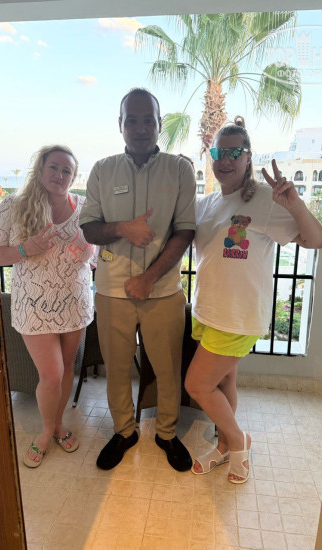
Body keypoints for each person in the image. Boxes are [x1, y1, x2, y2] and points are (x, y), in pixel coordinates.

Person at [185, 116, 322, 483]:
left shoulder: (264, 200)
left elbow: (316, 240)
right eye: (219, 152)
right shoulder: (206, 203)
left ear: (248, 157)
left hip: (239, 317)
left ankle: (238, 440)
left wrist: (294, 204)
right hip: (207, 310)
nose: (225, 160)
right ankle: (224, 445)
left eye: (234, 153)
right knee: (223, 383)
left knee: (197, 385)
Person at [80, 88, 196, 472]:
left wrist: (148, 278)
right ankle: (124, 431)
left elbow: (185, 230)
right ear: (121, 124)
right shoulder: (102, 169)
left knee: (167, 369)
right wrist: (123, 228)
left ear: (160, 124)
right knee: (116, 369)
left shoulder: (179, 171)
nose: (141, 128)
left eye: (149, 120)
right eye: (132, 120)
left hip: (162, 291)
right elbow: (90, 228)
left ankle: (166, 433)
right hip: (112, 291)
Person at [0, 145, 97, 468]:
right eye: (54, 167)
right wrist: (25, 249)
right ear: (40, 169)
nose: (60, 175)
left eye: (67, 171)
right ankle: (46, 431)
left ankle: (58, 424)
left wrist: (89, 252)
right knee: (51, 374)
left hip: (74, 302)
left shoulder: (85, 206)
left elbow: (93, 255)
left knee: (66, 369)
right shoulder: (14, 205)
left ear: (74, 177)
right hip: (33, 305)